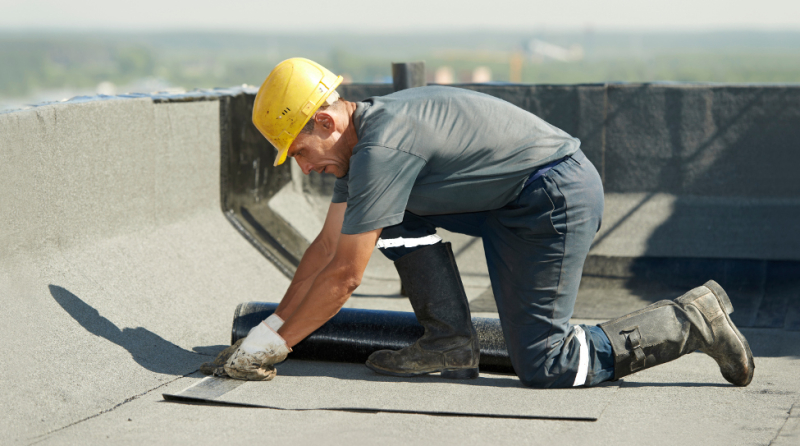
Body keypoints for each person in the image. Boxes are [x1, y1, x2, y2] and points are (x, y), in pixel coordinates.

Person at [215, 58, 754, 388]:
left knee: (547, 364)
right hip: (511, 201)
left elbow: (343, 279)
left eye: (302, 151)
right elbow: (326, 250)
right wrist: (267, 329)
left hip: (552, 199)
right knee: (384, 215)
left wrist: (274, 347)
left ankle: (688, 322)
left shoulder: (381, 147)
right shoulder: (361, 154)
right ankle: (449, 341)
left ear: (326, 121)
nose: (305, 167)